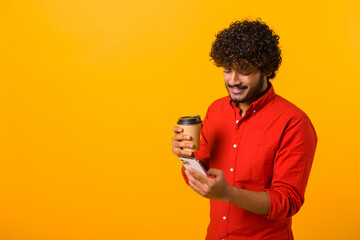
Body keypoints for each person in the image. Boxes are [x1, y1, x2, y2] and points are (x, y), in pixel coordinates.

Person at [172, 19, 317, 240]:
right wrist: (185, 157)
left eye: (244, 71)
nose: (233, 80)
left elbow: (287, 201)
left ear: (266, 69)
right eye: (227, 70)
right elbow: (201, 174)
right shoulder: (216, 109)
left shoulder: (293, 122)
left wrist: (227, 194)